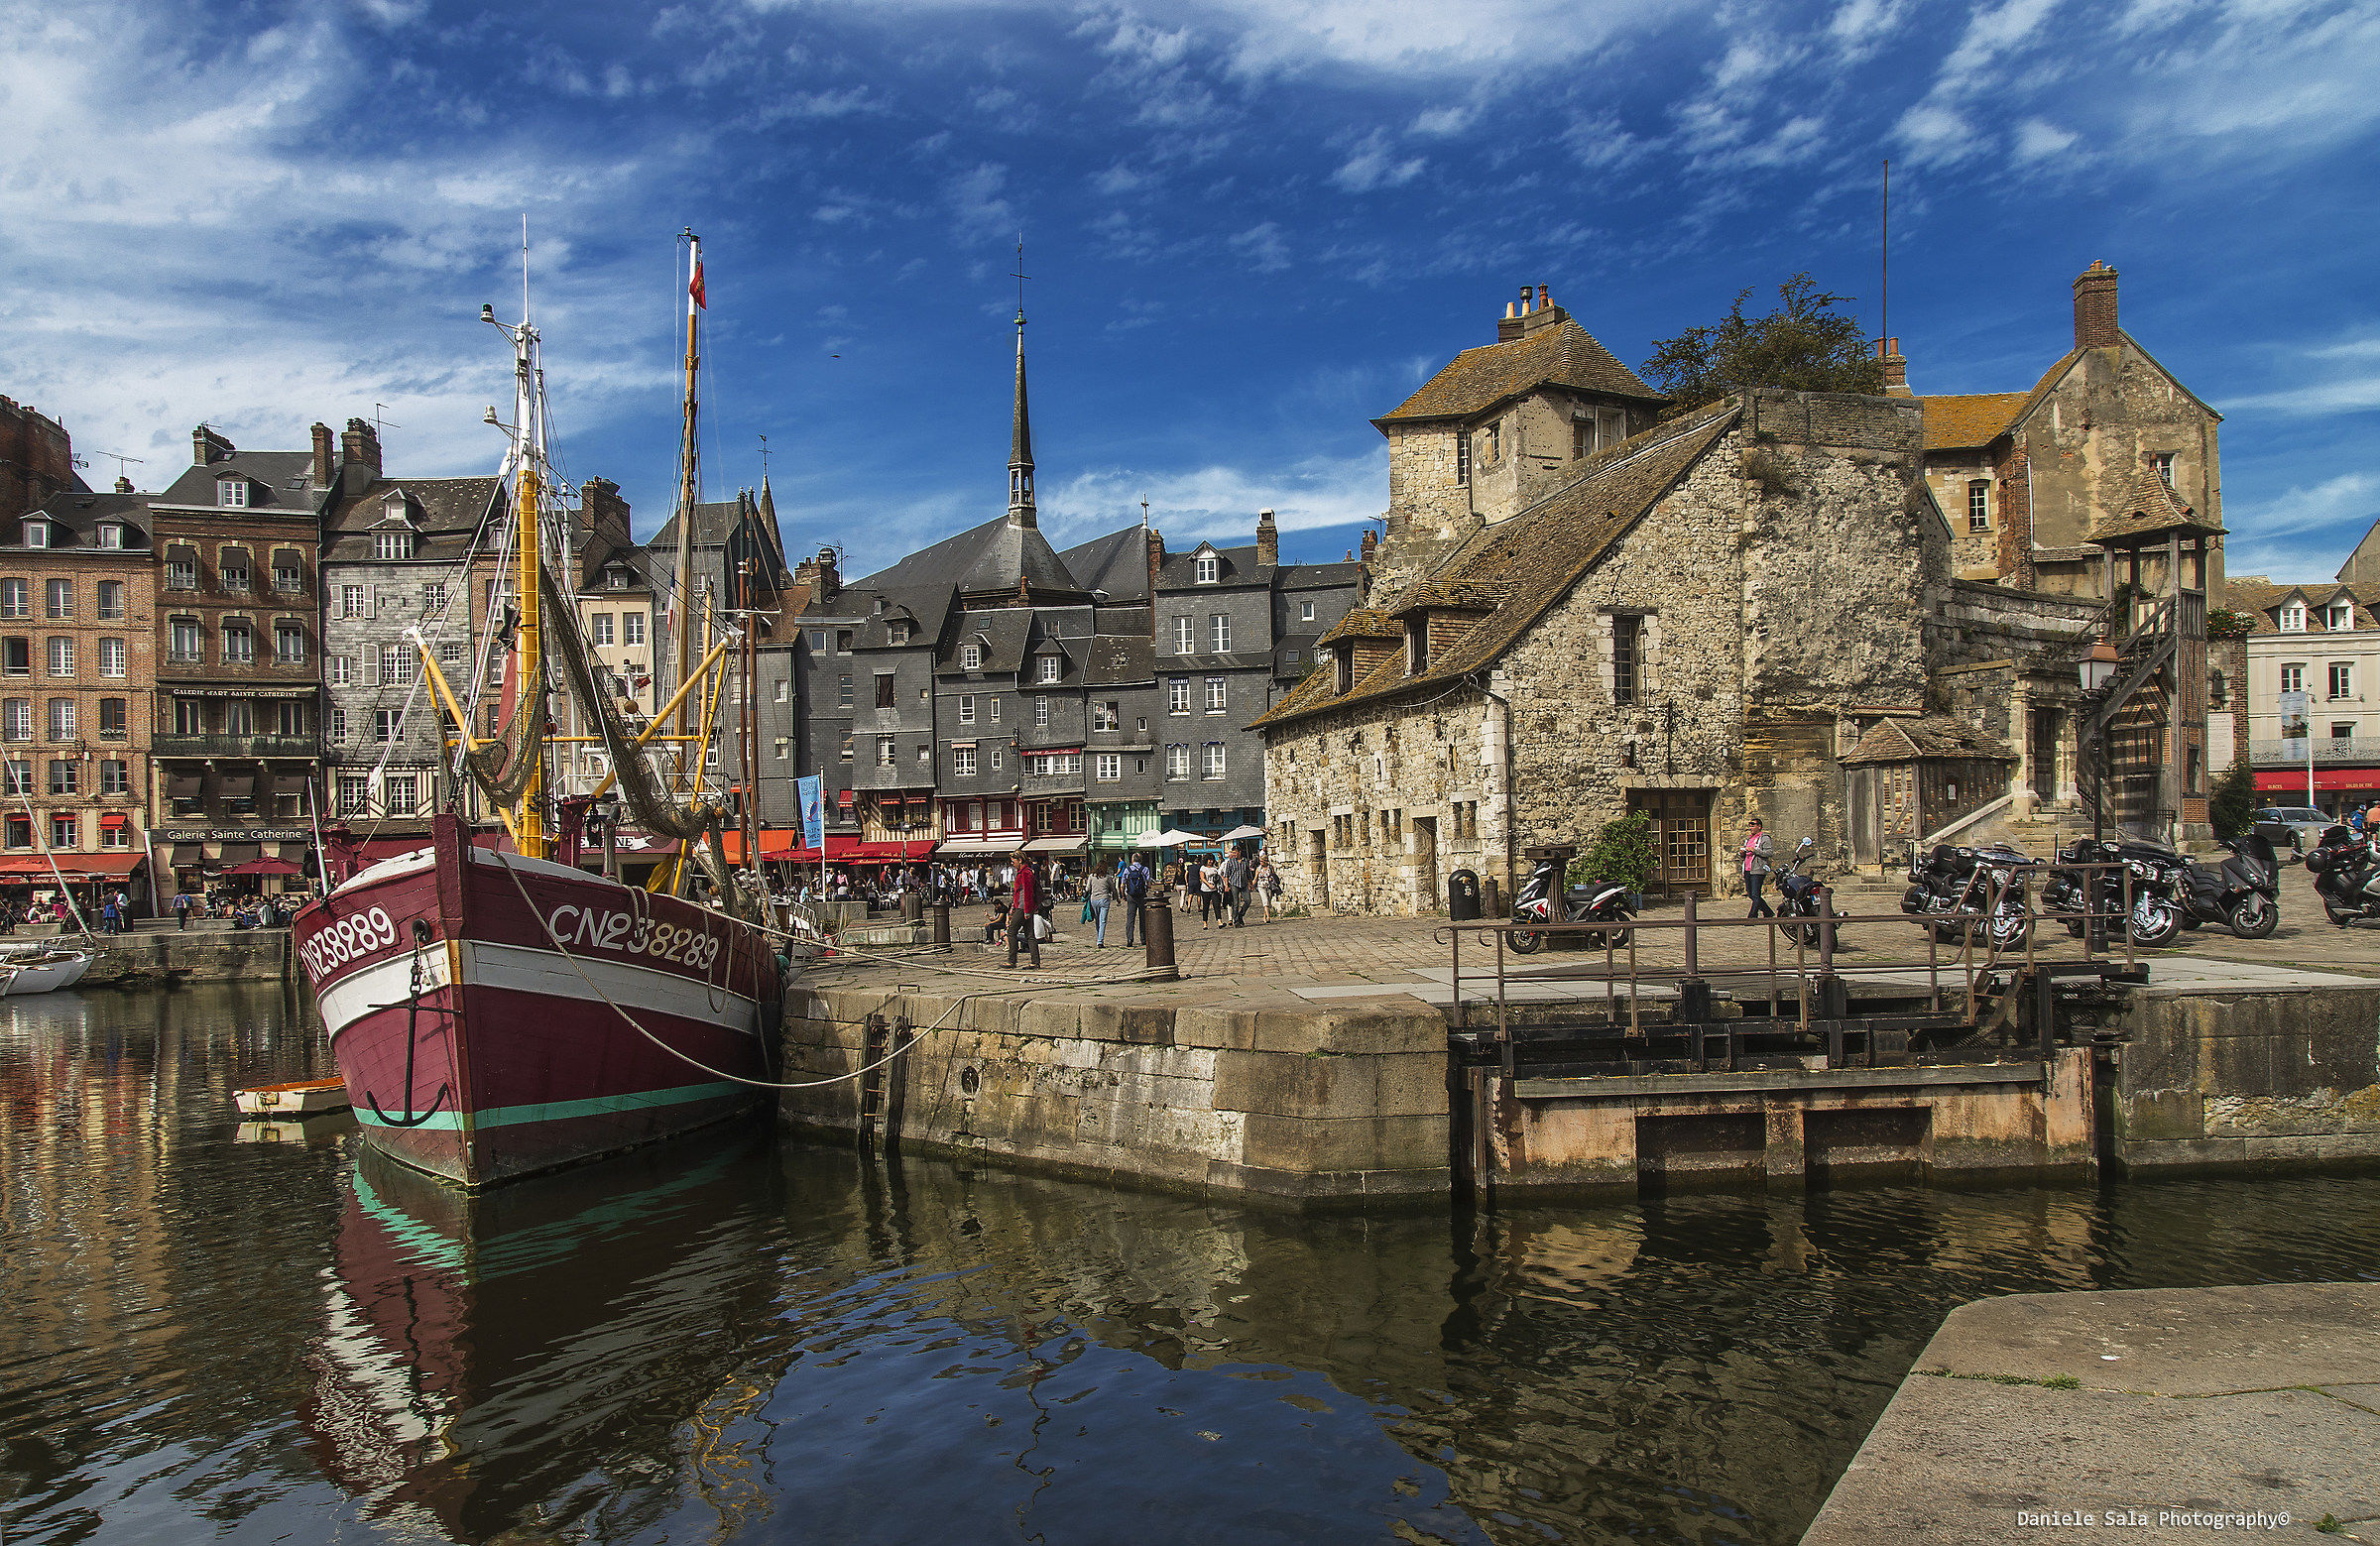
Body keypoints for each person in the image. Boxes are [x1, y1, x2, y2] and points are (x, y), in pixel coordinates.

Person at [1006, 856, 1042, 969]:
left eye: (1013, 861)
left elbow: (1028, 892)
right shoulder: (1023, 872)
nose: (1012, 864)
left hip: (1023, 907)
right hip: (1023, 906)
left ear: (1020, 860)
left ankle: (1012, 960)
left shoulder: (1025, 873)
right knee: (1030, 935)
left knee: (1011, 931)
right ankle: (1035, 962)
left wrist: (1026, 910)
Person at [1741, 818, 1776, 919]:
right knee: (1751, 894)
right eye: (1750, 825)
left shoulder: (1764, 838)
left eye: (1753, 825)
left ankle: (1752, 916)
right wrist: (1742, 853)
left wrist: (1755, 850)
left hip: (1758, 869)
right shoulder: (1749, 839)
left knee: (1756, 894)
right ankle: (1768, 912)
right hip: (1748, 868)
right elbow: (1746, 855)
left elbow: (1769, 853)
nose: (1751, 827)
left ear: (1759, 826)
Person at [1121, 854, 1149, 947]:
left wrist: (1123, 895)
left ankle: (1130, 938)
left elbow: (1122, 885)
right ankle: (1143, 939)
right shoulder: (1145, 869)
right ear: (1141, 860)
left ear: (1132, 860)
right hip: (1142, 896)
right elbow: (1148, 884)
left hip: (1131, 896)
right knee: (1143, 918)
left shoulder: (1127, 870)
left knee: (1130, 918)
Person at [1085, 859, 1116, 947]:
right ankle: (1100, 941)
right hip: (1104, 899)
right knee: (1102, 921)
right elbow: (1113, 889)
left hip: (1094, 900)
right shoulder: (1107, 877)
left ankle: (1099, 938)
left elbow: (1087, 889)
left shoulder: (1091, 876)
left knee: (1098, 920)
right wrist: (1117, 899)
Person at [1224, 846, 1252, 928]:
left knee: (1248, 900)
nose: (1233, 854)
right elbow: (1226, 874)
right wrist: (1226, 885)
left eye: (1235, 853)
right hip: (1234, 884)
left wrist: (1250, 883)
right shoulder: (1230, 862)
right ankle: (1236, 921)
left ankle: (1240, 915)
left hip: (1244, 884)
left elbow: (1248, 873)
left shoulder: (1245, 861)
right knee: (1235, 903)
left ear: (1239, 852)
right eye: (1232, 853)